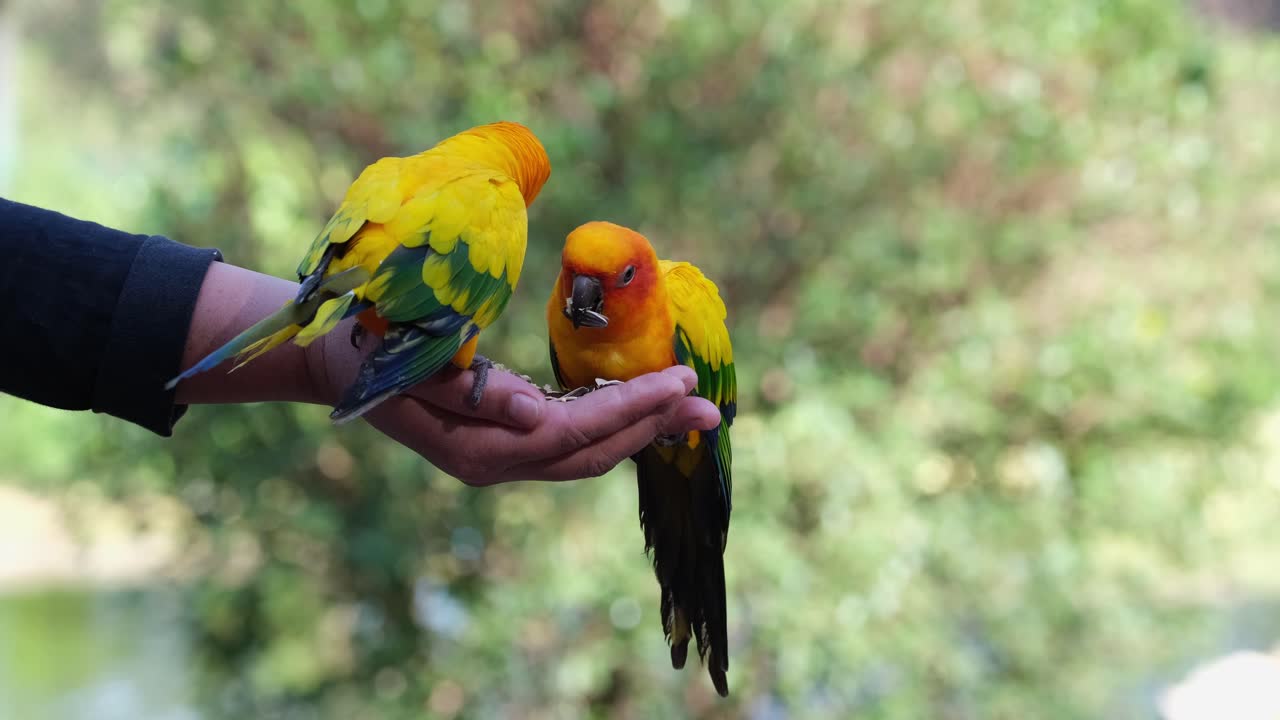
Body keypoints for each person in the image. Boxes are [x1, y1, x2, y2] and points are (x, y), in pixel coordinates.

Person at [0, 198, 721, 484]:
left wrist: (330, 356)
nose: (582, 294)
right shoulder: (563, 309)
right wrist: (337, 354)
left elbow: (36, 278)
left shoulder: (682, 302)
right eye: (573, 277)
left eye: (614, 278)